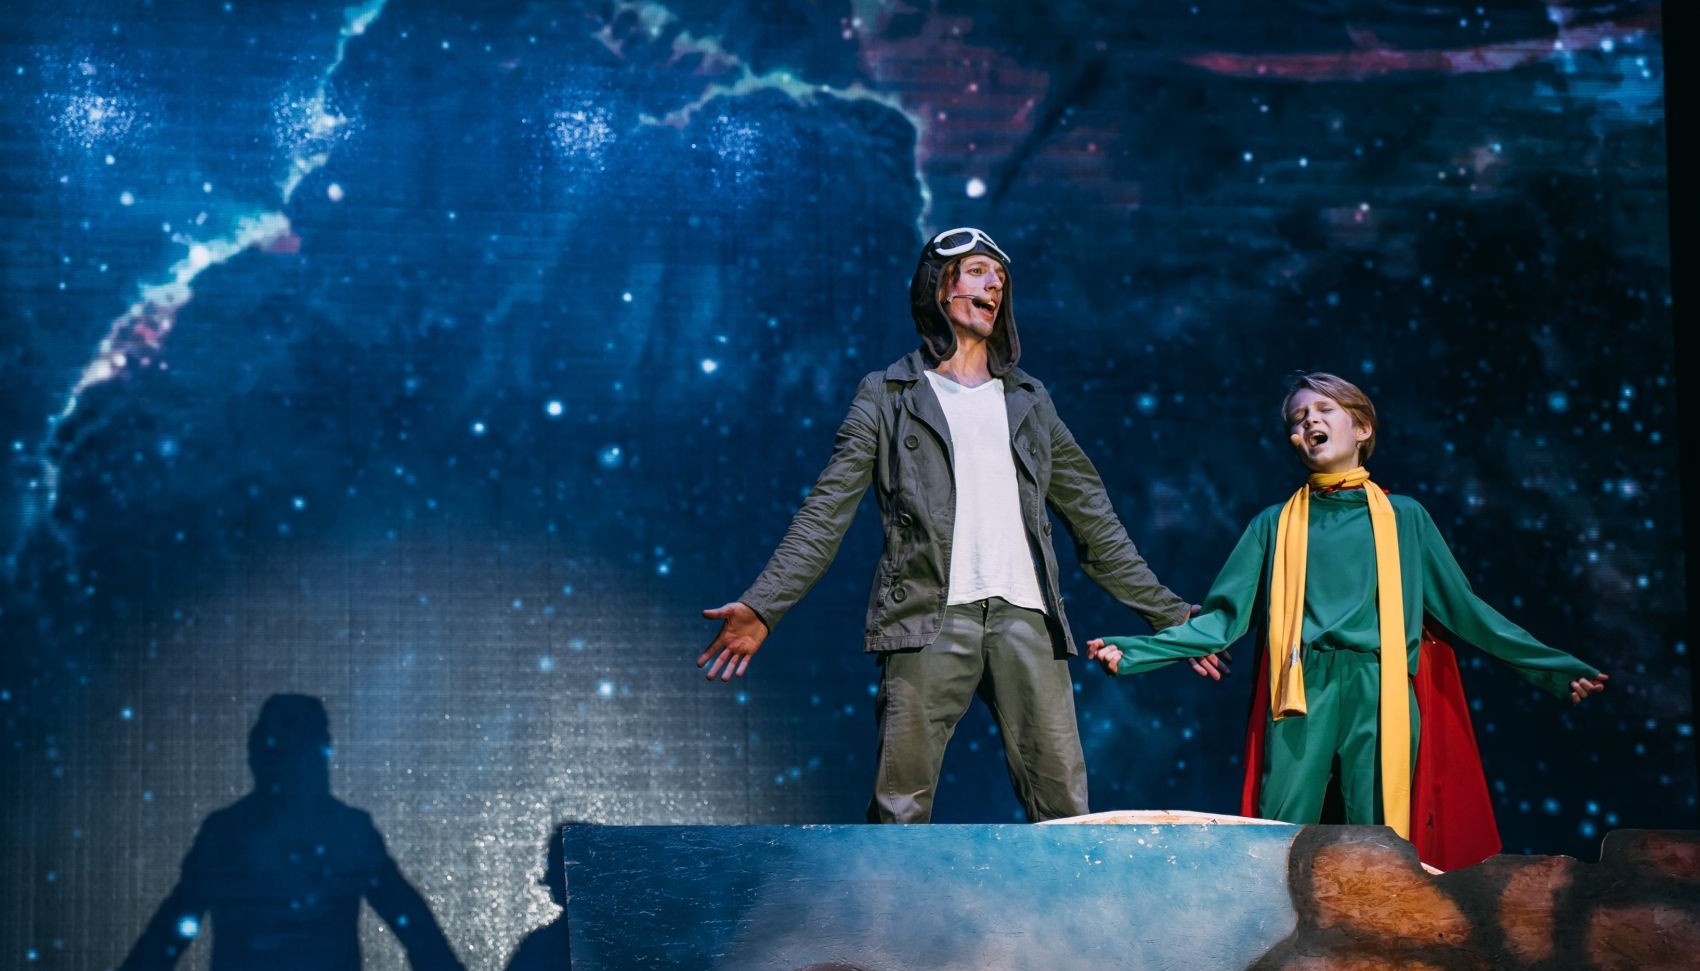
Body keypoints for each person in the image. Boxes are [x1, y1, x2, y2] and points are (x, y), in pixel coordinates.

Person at [699, 227, 1196, 823]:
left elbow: (1095, 520)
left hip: (1025, 618)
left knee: (1065, 809)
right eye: (978, 271)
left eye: (1001, 278)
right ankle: (890, 892)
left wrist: (1169, 613)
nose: (994, 286)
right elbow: (826, 510)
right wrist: (765, 604)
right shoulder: (888, 394)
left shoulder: (1029, 400)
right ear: (940, 287)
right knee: (900, 807)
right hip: (927, 619)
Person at [1087, 373, 1608, 853]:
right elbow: (1222, 620)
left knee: (1377, 840)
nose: (1308, 422)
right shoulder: (1272, 525)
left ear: (1361, 428)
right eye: (1297, 419)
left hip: (1379, 689)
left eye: (1322, 410)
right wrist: (1134, 652)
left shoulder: (1405, 517)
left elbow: (1466, 610)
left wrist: (1554, 670)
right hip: (1299, 690)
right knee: (1278, 835)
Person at [119, 694, 466, 971]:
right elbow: (413, 926)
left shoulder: (226, 832)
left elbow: (169, 932)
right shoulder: (347, 831)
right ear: (320, 751)